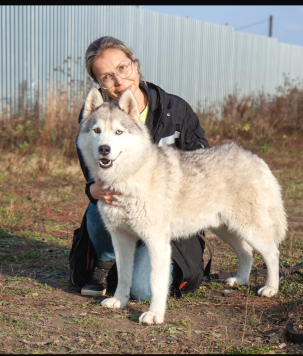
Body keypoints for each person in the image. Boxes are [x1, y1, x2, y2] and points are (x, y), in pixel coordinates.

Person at [69, 36, 210, 301]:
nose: (119, 81)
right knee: (101, 206)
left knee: (143, 291)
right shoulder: (95, 117)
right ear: (99, 83)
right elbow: (90, 170)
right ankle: (105, 263)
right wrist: (93, 188)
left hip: (170, 211)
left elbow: (202, 166)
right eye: (107, 77)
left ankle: (131, 274)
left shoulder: (176, 110)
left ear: (135, 63)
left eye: (122, 68)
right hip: (120, 208)